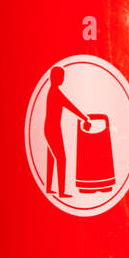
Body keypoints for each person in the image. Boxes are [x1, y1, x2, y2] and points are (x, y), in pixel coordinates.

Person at [44, 66, 89, 197]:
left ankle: (48, 188)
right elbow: (70, 106)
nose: (63, 79)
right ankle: (61, 192)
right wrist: (85, 117)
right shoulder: (56, 92)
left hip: (48, 127)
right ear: (56, 78)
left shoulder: (52, 91)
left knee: (51, 158)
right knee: (61, 159)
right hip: (53, 129)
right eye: (61, 76)